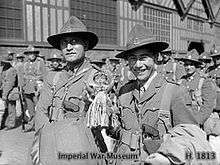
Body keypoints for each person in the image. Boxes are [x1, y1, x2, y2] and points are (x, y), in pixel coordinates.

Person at [115, 24, 217, 165]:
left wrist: (170, 158)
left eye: (144, 57)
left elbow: (191, 139)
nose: (138, 65)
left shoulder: (174, 92)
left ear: (156, 58)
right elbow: (119, 129)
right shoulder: (124, 92)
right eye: (132, 59)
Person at [32, 16, 102, 165]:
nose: (69, 47)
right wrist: (44, 140)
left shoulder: (97, 77)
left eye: (74, 42)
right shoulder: (53, 77)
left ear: (86, 44)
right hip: (51, 144)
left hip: (80, 148)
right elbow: (41, 111)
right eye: (64, 43)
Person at [18, 45, 45, 132]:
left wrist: (38, 81)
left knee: (39, 108)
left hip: (37, 88)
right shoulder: (25, 64)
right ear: (27, 55)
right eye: (30, 53)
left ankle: (40, 126)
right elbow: (22, 76)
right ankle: (31, 125)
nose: (31, 55)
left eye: (33, 53)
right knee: (30, 109)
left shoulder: (40, 62)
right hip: (27, 89)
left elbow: (44, 75)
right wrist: (21, 87)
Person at [0, 56, 18, 130]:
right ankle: (6, 123)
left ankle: (11, 124)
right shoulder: (4, 68)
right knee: (6, 108)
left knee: (11, 108)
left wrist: (4, 94)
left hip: (10, 92)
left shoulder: (11, 70)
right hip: (4, 91)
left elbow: (9, 83)